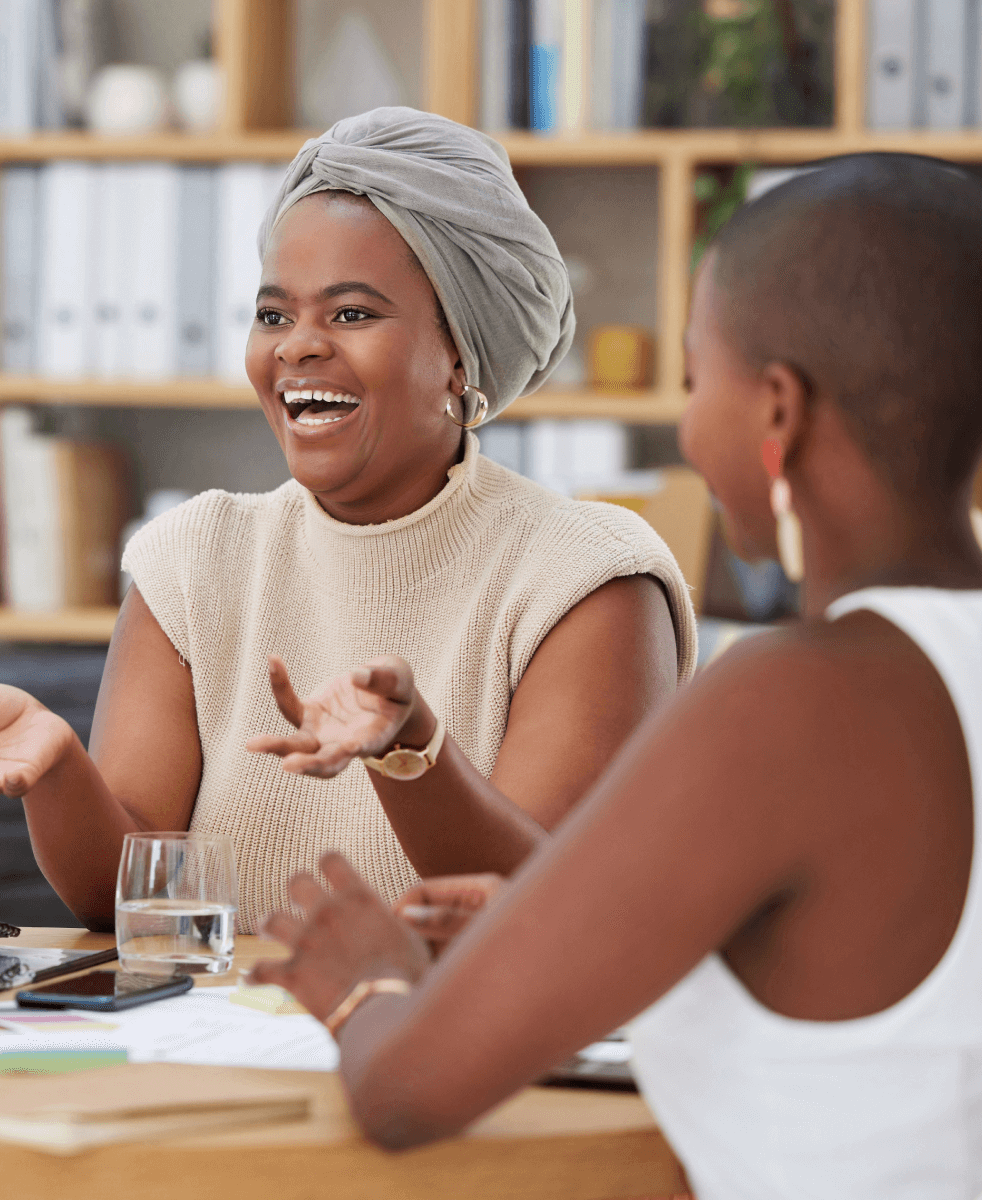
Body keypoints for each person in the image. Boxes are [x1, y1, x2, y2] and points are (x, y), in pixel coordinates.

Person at [248, 153, 982, 1199]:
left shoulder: (788, 699)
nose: (687, 427)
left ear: (776, 412)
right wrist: (547, 938)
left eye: (696, 378)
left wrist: (366, 982)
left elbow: (408, 1093)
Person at [0, 108, 695, 930]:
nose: (297, 347)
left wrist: (409, 753)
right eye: (274, 315)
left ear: (459, 356)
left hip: (460, 1051)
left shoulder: (588, 579)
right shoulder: (195, 556)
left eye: (351, 314)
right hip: (221, 1052)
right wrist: (58, 772)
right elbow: (125, 900)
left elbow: (545, 916)